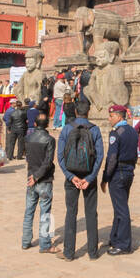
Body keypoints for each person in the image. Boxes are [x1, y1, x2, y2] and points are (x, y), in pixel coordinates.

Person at [56, 100, 103, 261]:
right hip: (89, 175)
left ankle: (69, 252)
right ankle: (93, 252)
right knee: (91, 213)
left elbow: (60, 157)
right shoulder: (95, 130)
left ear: (76, 112)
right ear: (88, 112)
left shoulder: (67, 129)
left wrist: (71, 177)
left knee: (71, 213)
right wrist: (90, 178)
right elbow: (100, 156)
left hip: (72, 176)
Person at [102, 104, 139, 255]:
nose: (109, 119)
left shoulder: (116, 133)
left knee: (122, 210)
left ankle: (124, 244)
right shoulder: (132, 130)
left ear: (118, 116)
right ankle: (115, 237)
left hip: (118, 172)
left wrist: (105, 177)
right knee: (120, 206)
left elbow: (111, 158)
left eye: (111, 116)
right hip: (129, 171)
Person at [22, 111, 55, 253]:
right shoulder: (49, 139)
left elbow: (28, 158)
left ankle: (25, 241)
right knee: (45, 213)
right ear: (47, 124)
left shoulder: (28, 138)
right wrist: (37, 176)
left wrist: (33, 176)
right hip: (43, 179)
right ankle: (44, 243)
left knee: (29, 211)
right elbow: (48, 162)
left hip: (31, 178)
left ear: (35, 124)